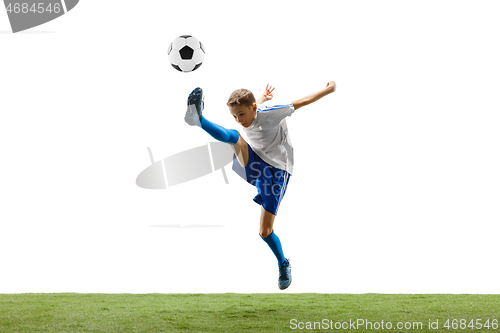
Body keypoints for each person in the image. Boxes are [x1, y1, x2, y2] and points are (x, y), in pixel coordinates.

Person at [184, 81, 336, 289]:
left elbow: (303, 101)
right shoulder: (251, 110)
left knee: (265, 231)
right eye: (234, 116)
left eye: (241, 115)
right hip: (256, 160)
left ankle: (283, 263)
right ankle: (198, 120)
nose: (239, 120)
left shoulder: (273, 112)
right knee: (235, 138)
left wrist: (329, 89)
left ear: (253, 108)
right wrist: (262, 96)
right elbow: (252, 108)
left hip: (277, 171)